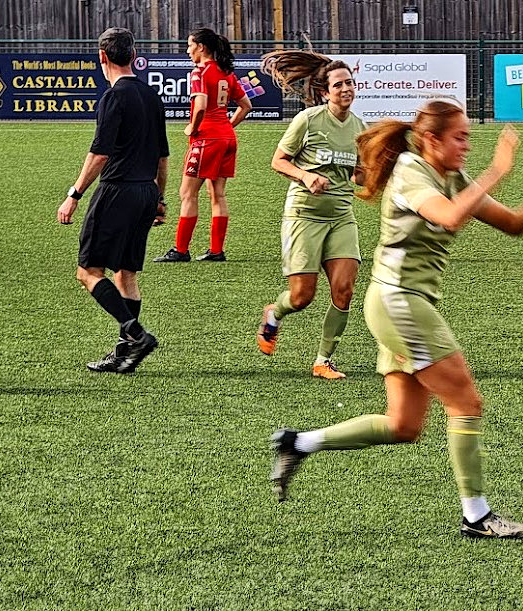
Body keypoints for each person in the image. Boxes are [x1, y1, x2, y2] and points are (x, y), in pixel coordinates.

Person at [268, 101, 523, 538]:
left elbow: (512, 225)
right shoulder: (410, 170)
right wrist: (498, 169)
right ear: (430, 140)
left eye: (467, 137)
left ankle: (298, 442)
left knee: (404, 425)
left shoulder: (450, 177)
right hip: (400, 302)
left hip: (400, 304)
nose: (466, 145)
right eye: (459, 136)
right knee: (466, 403)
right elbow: (450, 215)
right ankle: (476, 516)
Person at [57, 27, 168, 374]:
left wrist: (74, 194)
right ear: (133, 56)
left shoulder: (113, 97)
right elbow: (163, 157)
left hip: (117, 190)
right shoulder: (152, 96)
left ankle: (135, 335)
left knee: (88, 272)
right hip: (146, 192)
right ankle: (125, 356)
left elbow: (100, 154)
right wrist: (160, 200)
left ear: (102, 57)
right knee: (127, 275)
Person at [254, 50, 367, 379]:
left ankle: (323, 360)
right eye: (339, 85)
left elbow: (359, 175)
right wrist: (305, 176)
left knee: (344, 290)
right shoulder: (308, 120)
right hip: (304, 215)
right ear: (324, 92)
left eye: (350, 83)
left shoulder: (361, 129)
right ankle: (274, 313)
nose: (346, 89)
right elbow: (278, 161)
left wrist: (376, 172)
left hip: (342, 215)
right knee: (302, 296)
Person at [154, 27, 251, 263]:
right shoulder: (226, 72)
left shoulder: (199, 72)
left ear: (201, 47)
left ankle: (181, 250)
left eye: (190, 45)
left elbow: (200, 105)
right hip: (227, 138)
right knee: (217, 194)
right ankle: (216, 251)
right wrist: (226, 127)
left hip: (207, 138)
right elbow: (246, 105)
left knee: (187, 193)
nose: (188, 51)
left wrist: (193, 128)